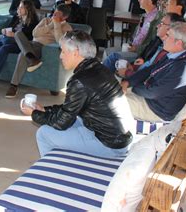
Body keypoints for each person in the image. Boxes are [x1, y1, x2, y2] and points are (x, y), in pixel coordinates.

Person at [20, 30, 135, 158]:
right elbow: (70, 109)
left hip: (109, 144)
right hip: (119, 136)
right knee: (71, 120)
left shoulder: (79, 80)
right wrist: (44, 110)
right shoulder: (98, 67)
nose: (61, 56)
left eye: (63, 51)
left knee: (43, 133)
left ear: (75, 53)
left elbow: (61, 122)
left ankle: (53, 171)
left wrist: (34, 114)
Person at [121, 22, 186, 122]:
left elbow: (153, 92)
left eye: (168, 36)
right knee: (109, 91)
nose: (164, 38)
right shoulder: (174, 55)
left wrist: (132, 88)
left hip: (156, 110)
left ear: (178, 43)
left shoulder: (185, 68)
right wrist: (127, 82)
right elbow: (148, 70)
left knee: (108, 102)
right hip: (149, 98)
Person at [6, 4, 72, 98]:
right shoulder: (45, 20)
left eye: (58, 14)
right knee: (18, 34)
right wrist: (50, 25)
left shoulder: (67, 27)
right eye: (55, 12)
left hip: (43, 47)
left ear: (65, 16)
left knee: (22, 55)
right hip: (31, 43)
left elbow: (60, 41)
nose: (54, 15)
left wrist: (56, 24)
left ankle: (13, 86)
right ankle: (31, 58)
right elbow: (35, 33)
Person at [103, 0, 162, 73]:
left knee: (113, 56)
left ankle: (102, 78)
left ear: (149, 1)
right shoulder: (145, 16)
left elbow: (153, 42)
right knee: (107, 51)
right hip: (132, 48)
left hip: (140, 53)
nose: (138, 0)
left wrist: (137, 48)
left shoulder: (157, 19)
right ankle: (106, 77)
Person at [117, 13, 185, 78]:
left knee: (114, 60)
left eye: (162, 24)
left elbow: (151, 77)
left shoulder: (168, 53)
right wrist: (135, 65)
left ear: (171, 29)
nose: (157, 26)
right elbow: (148, 62)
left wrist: (128, 73)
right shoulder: (160, 42)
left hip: (138, 80)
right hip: (139, 71)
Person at [0, 0, 39, 77]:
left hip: (21, 44)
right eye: (19, 7)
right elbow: (9, 27)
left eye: (21, 7)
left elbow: (30, 37)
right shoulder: (16, 17)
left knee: (3, 49)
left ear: (28, 9)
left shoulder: (34, 22)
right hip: (9, 40)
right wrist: (4, 30)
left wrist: (14, 35)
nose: (18, 9)